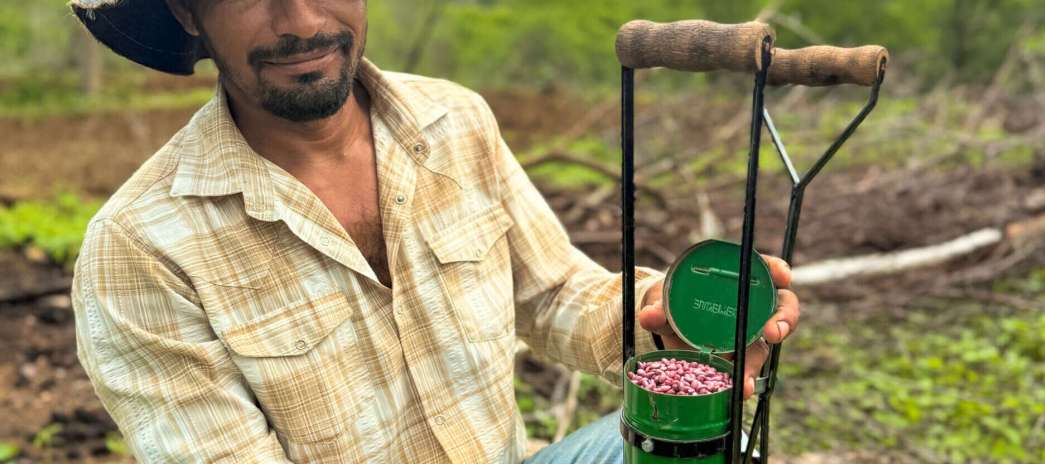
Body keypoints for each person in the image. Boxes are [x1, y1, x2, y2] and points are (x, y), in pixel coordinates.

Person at [69, 1, 801, 462]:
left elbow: (551, 294)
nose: (297, 21)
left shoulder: (453, 122)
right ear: (189, 14)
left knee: (707, 440)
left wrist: (665, 318)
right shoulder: (141, 246)